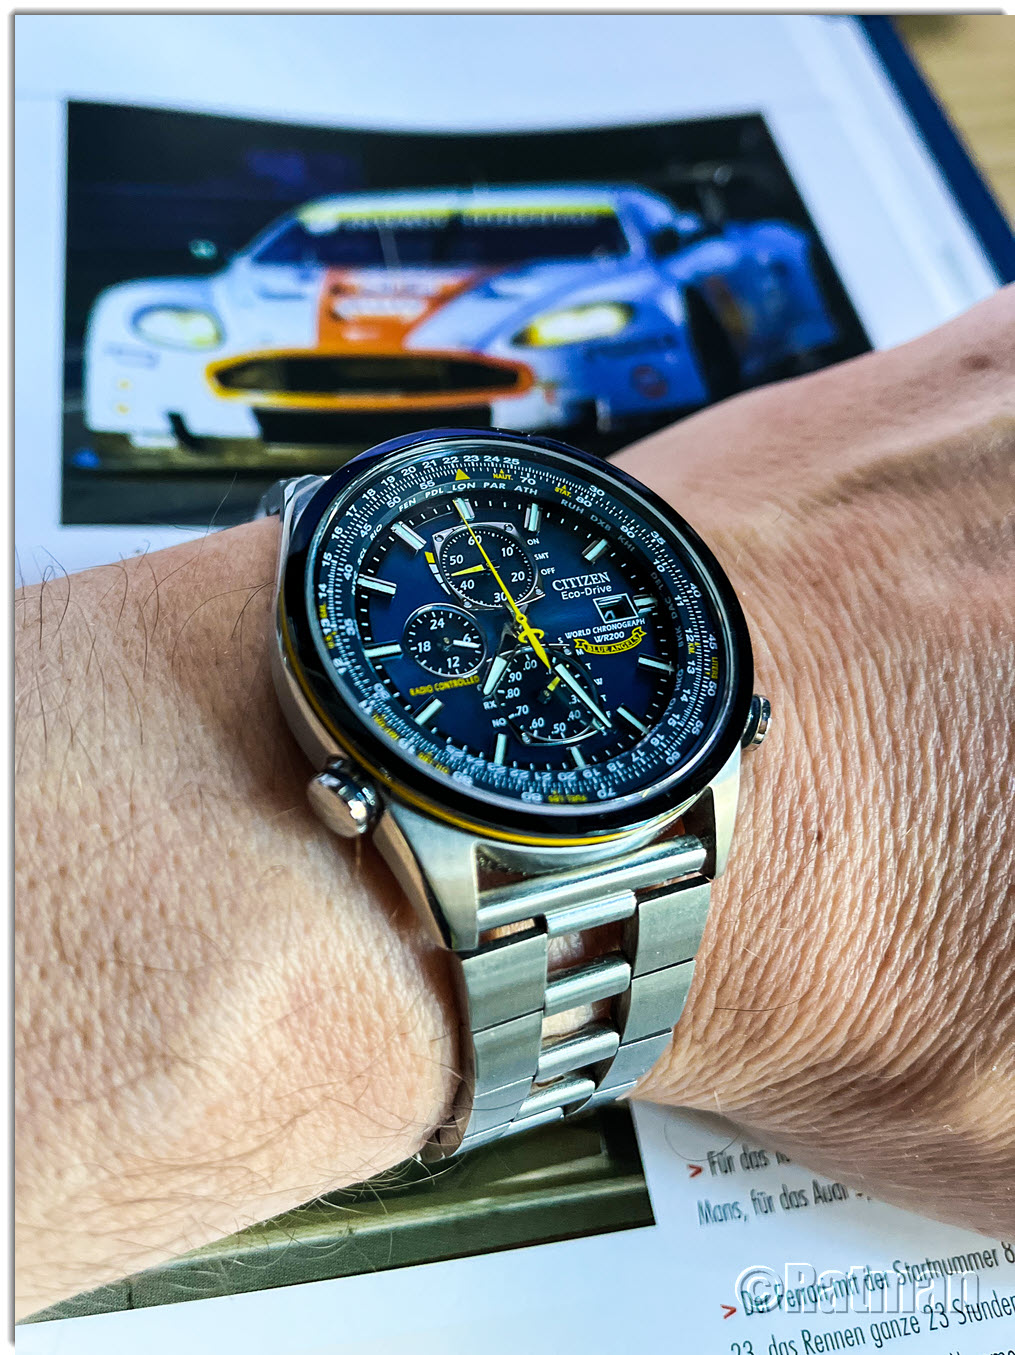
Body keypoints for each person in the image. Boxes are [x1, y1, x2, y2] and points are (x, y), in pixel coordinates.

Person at [15, 287, 1014, 1321]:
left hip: (646, 769)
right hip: (452, 824)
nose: (524, 639)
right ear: (346, 788)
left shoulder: (661, 675)